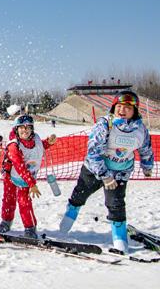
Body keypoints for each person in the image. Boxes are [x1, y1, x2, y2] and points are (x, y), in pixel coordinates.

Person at [58, 91, 154, 252]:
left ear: (135, 110)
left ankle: (120, 242)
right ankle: (64, 226)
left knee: (116, 205)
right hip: (94, 170)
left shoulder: (140, 130)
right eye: (119, 106)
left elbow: (146, 149)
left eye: (127, 108)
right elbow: (94, 152)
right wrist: (104, 175)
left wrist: (147, 166)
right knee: (79, 195)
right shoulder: (105, 124)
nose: (122, 110)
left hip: (120, 172)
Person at [0, 114, 56, 239]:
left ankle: (30, 228)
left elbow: (38, 147)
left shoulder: (35, 139)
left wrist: (48, 143)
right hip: (11, 175)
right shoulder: (14, 146)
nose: (25, 130)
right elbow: (19, 166)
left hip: (26, 177)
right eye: (21, 127)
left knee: (24, 202)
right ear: (16, 130)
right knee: (9, 199)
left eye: (28, 127)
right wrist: (32, 184)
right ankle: (6, 221)